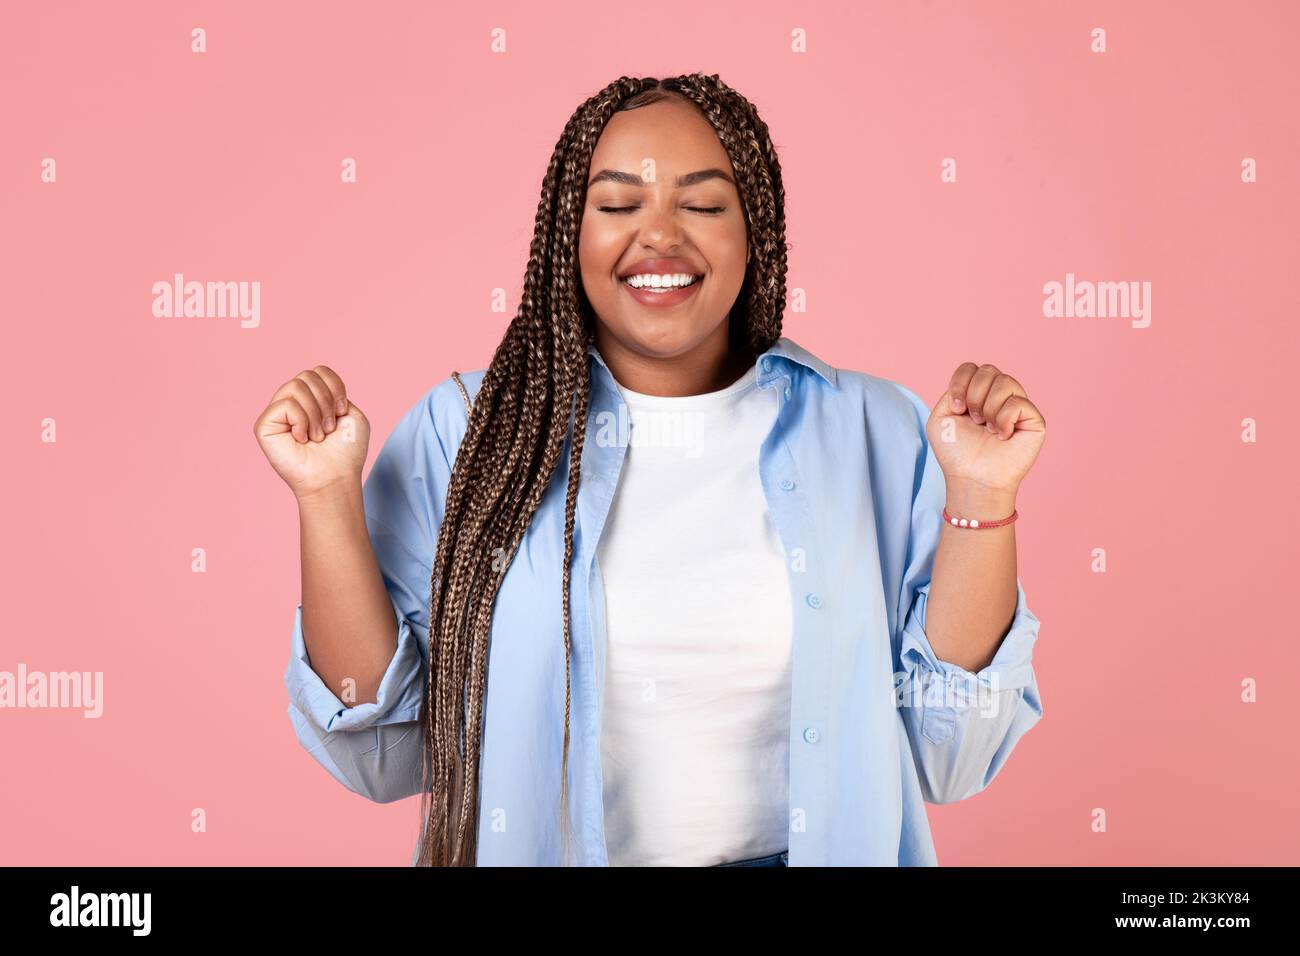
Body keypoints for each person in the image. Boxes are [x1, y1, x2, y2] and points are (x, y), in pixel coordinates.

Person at [252, 73, 1047, 868]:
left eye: (702, 205)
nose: (659, 236)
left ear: (755, 230)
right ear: (570, 232)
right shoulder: (467, 433)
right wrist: (326, 499)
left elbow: (954, 756)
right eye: (618, 205)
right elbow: (384, 757)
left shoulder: (875, 429)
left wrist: (982, 493)